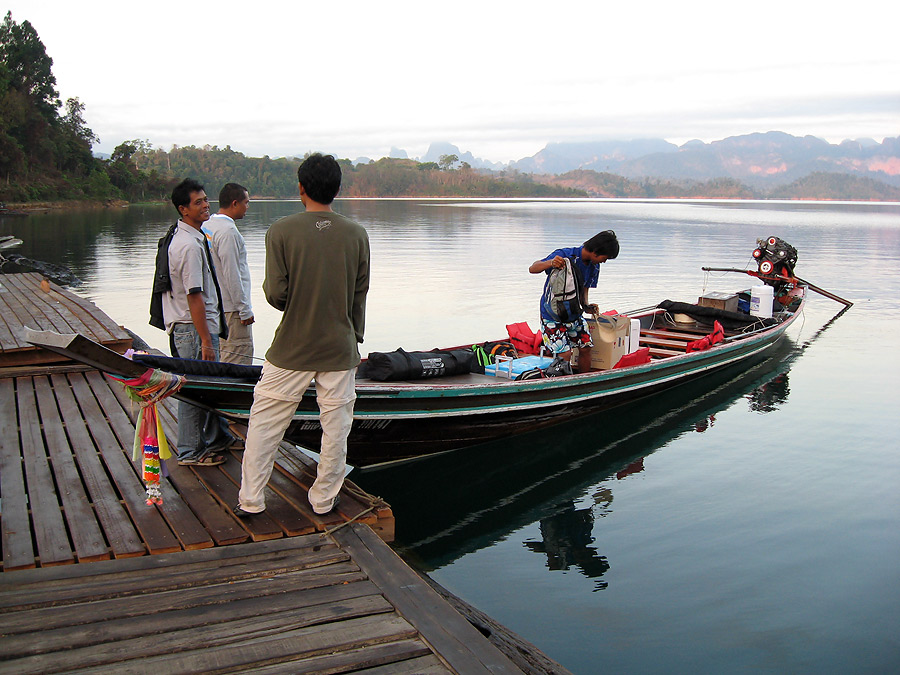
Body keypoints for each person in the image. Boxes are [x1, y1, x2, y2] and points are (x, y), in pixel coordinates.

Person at [235, 154, 370, 517]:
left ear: (301, 188)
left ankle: (251, 500)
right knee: (336, 429)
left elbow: (277, 294)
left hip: (291, 346)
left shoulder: (280, 231)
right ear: (338, 189)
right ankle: (324, 499)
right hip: (339, 348)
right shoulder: (357, 234)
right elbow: (360, 293)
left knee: (264, 424)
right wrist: (354, 336)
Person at [162, 178, 232, 466]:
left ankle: (217, 438)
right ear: (183, 209)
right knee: (192, 391)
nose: (206, 205)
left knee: (208, 386)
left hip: (196, 327)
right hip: (193, 330)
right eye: (198, 202)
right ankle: (190, 451)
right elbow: (194, 297)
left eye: (205, 199)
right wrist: (205, 340)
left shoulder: (194, 236)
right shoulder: (188, 247)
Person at [528, 230, 620, 373]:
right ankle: (563, 385)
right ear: (595, 251)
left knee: (586, 347)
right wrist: (551, 263)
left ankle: (584, 381)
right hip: (552, 315)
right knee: (565, 354)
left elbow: (584, 290)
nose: (604, 261)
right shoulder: (565, 255)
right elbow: (533, 268)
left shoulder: (594, 266)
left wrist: (587, 306)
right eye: (605, 257)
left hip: (574, 314)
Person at [203, 183, 255, 365]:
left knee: (221, 354)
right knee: (238, 356)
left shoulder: (207, 226)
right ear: (234, 203)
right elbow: (231, 273)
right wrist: (244, 309)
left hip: (213, 305)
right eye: (246, 202)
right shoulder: (229, 232)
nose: (247, 207)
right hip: (232, 309)